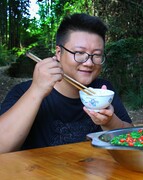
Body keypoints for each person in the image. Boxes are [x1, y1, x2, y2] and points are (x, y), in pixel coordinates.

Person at [0, 13, 133, 153]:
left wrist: (109, 122)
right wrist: (36, 91)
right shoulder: (23, 92)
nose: (88, 63)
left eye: (97, 55)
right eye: (79, 53)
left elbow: (133, 139)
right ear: (58, 52)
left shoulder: (103, 91)